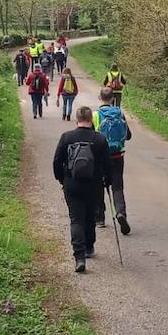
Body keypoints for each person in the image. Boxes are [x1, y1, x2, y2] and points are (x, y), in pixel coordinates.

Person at [53, 105, 112, 273]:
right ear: (91, 120)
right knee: (90, 216)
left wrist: (61, 179)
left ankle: (79, 257)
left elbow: (57, 162)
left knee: (76, 219)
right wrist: (107, 181)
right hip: (94, 186)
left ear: (76, 119)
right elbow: (108, 165)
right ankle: (89, 247)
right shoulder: (100, 139)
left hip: (72, 185)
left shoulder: (66, 137)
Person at [94, 87, 133, 234]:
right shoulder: (120, 114)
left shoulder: (96, 115)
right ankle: (121, 213)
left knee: (98, 186)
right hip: (118, 157)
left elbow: (91, 135)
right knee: (117, 187)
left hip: (100, 158)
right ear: (112, 99)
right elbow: (128, 136)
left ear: (100, 98)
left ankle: (100, 218)